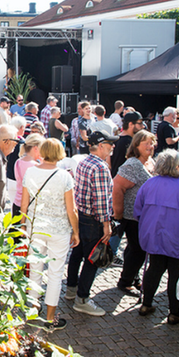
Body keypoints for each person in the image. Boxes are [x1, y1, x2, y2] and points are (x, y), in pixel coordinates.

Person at [134, 149, 179, 324]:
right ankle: (174, 312)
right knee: (176, 275)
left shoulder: (149, 184)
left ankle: (146, 304)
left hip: (154, 236)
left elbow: (138, 210)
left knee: (154, 269)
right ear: (177, 167)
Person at [20, 138, 79, 332]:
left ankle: (32, 310)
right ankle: (50, 318)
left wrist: (22, 226)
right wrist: (76, 231)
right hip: (59, 230)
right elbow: (71, 210)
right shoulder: (65, 176)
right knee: (55, 273)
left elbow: (24, 204)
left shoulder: (30, 172)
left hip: (35, 227)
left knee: (35, 270)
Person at [65, 130, 116, 317]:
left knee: (77, 253)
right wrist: (106, 224)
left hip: (81, 215)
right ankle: (82, 299)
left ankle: (71, 289)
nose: (113, 148)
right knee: (93, 258)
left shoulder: (84, 161)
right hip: (93, 220)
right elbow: (102, 200)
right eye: (110, 144)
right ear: (101, 146)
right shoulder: (101, 167)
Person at [112, 130, 156, 297]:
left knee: (135, 248)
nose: (150, 146)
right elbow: (117, 187)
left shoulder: (150, 162)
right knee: (138, 249)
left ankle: (133, 276)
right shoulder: (132, 164)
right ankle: (126, 281)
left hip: (146, 215)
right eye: (146, 143)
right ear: (136, 145)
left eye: (152, 143)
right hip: (132, 215)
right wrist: (119, 213)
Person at [12, 134, 44, 216]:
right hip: (29, 205)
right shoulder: (35, 166)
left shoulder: (18, 161)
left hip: (17, 202)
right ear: (36, 148)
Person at [110, 111, 145, 177]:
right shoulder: (132, 143)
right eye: (140, 123)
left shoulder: (115, 139)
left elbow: (109, 164)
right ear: (130, 124)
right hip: (125, 181)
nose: (142, 126)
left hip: (114, 179)